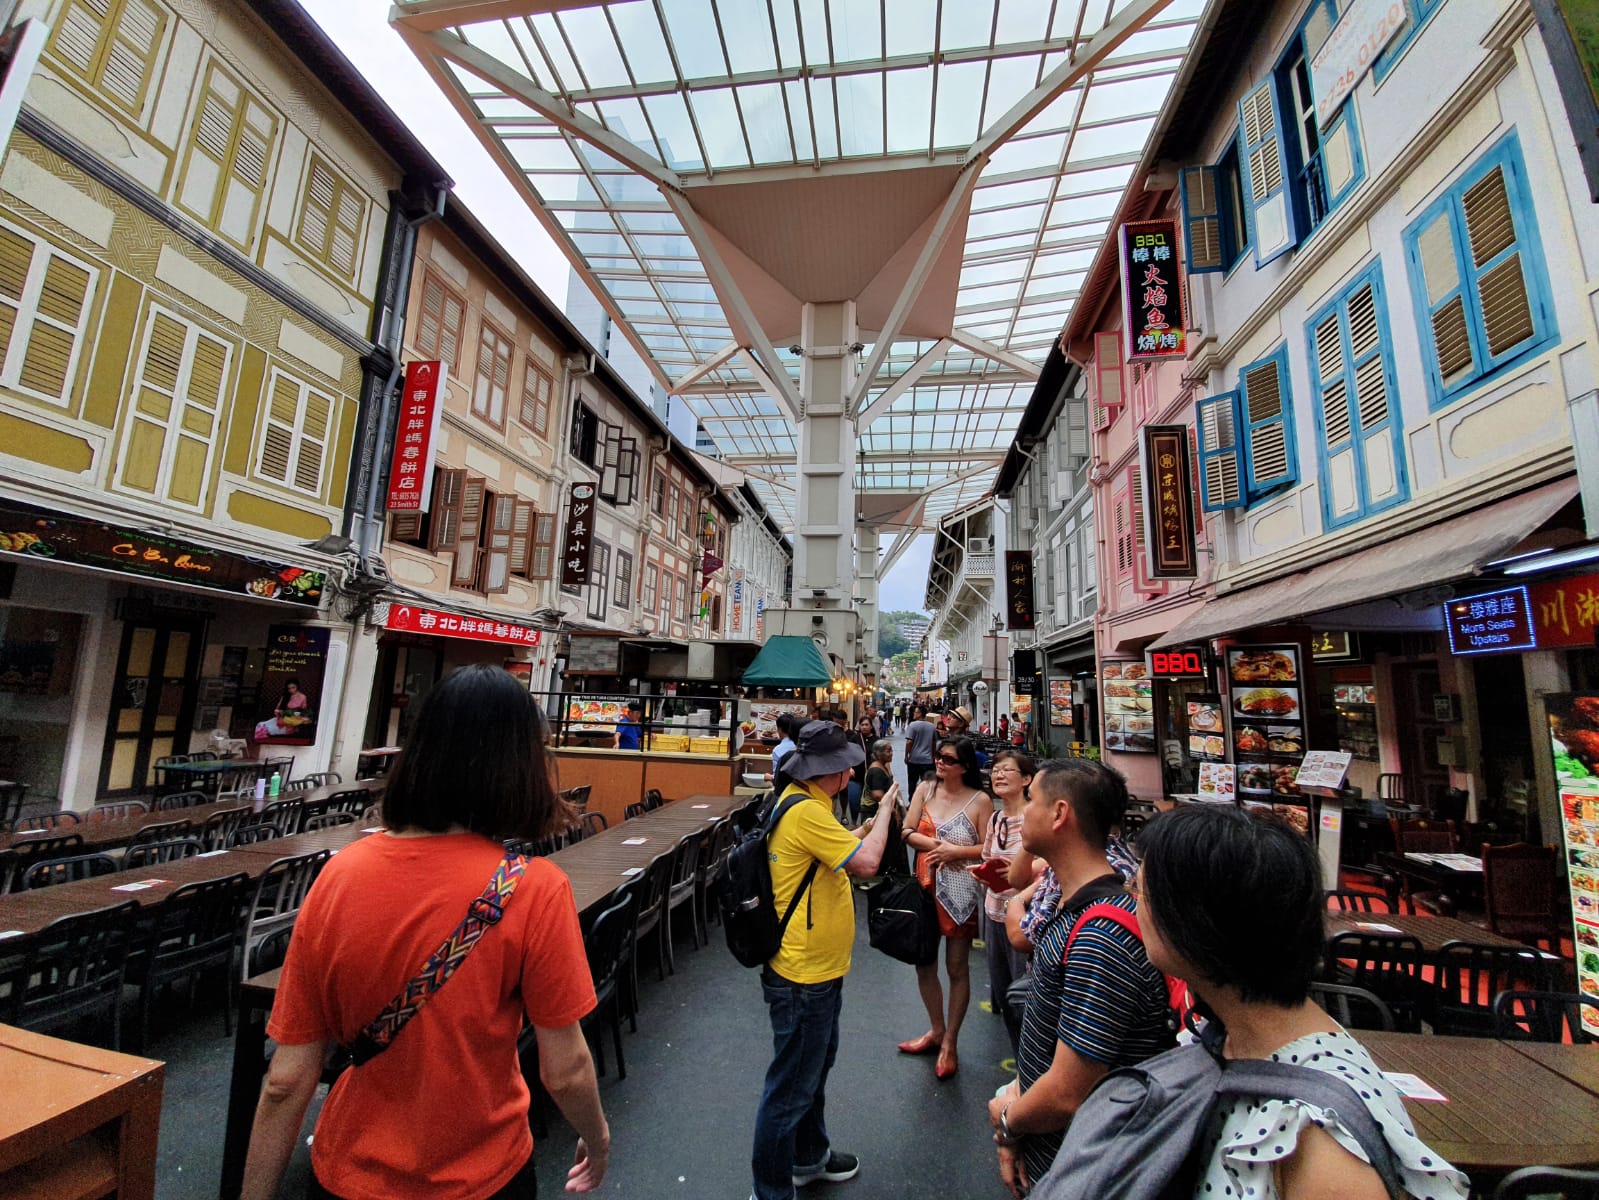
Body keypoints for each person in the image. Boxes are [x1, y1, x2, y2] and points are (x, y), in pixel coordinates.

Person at [241, 664, 609, 1200]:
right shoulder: (533, 889)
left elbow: (287, 1078)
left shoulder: (339, 874)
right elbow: (567, 1069)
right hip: (483, 1174)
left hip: (348, 1172)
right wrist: (596, 1139)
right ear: (522, 765)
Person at [1128, 805, 1468, 1200]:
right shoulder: (1224, 1039)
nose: (1134, 904)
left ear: (1195, 921)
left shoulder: (1317, 1145)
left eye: (1140, 891)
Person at [987, 759, 1170, 1200]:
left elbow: (1068, 1093)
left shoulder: (1098, 936)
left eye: (1032, 800)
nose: (1023, 810)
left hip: (1086, 1168)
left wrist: (1009, 1123)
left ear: (1059, 814)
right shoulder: (1073, 908)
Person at [751, 719, 900, 1200]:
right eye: (846, 770)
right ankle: (772, 1190)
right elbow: (866, 863)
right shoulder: (807, 812)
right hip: (803, 973)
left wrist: (866, 826)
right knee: (790, 1085)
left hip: (814, 968)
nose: (852, 776)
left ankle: (808, 1156)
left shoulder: (803, 804)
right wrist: (888, 811)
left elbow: (840, 848)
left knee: (810, 1070)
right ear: (831, 772)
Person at [896, 735, 991, 1081]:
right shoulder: (925, 790)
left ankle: (951, 1040)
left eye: (948, 760)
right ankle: (936, 1029)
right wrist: (936, 845)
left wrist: (955, 853)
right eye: (939, 757)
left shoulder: (980, 801)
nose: (940, 763)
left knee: (956, 967)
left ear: (964, 767)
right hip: (923, 886)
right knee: (924, 964)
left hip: (961, 891)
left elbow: (986, 849)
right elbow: (906, 831)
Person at [978, 749, 1034, 1050]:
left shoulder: (1034, 819)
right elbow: (988, 856)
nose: (998, 775)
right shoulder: (997, 817)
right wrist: (985, 872)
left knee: (1022, 992)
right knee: (1002, 988)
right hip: (994, 910)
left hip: (1024, 916)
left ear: (1026, 779)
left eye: (1006, 770)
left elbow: (1043, 871)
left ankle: (1026, 1064)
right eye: (995, 769)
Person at [862, 739, 895, 825]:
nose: (891, 753)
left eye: (891, 750)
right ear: (878, 754)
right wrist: (892, 809)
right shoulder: (877, 771)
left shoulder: (882, 766)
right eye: (888, 751)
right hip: (873, 812)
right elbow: (877, 796)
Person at [904, 707, 937, 791]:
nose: (913, 714)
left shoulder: (912, 725)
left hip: (914, 760)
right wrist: (933, 756)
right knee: (928, 784)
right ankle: (927, 801)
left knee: (912, 782)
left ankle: (912, 801)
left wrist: (906, 755)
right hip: (927, 760)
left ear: (920, 714)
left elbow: (909, 742)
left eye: (915, 712)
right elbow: (934, 743)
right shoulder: (932, 726)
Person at [770, 712, 798, 781]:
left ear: (779, 729)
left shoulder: (777, 750)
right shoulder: (801, 745)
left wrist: (768, 777)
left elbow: (776, 778)